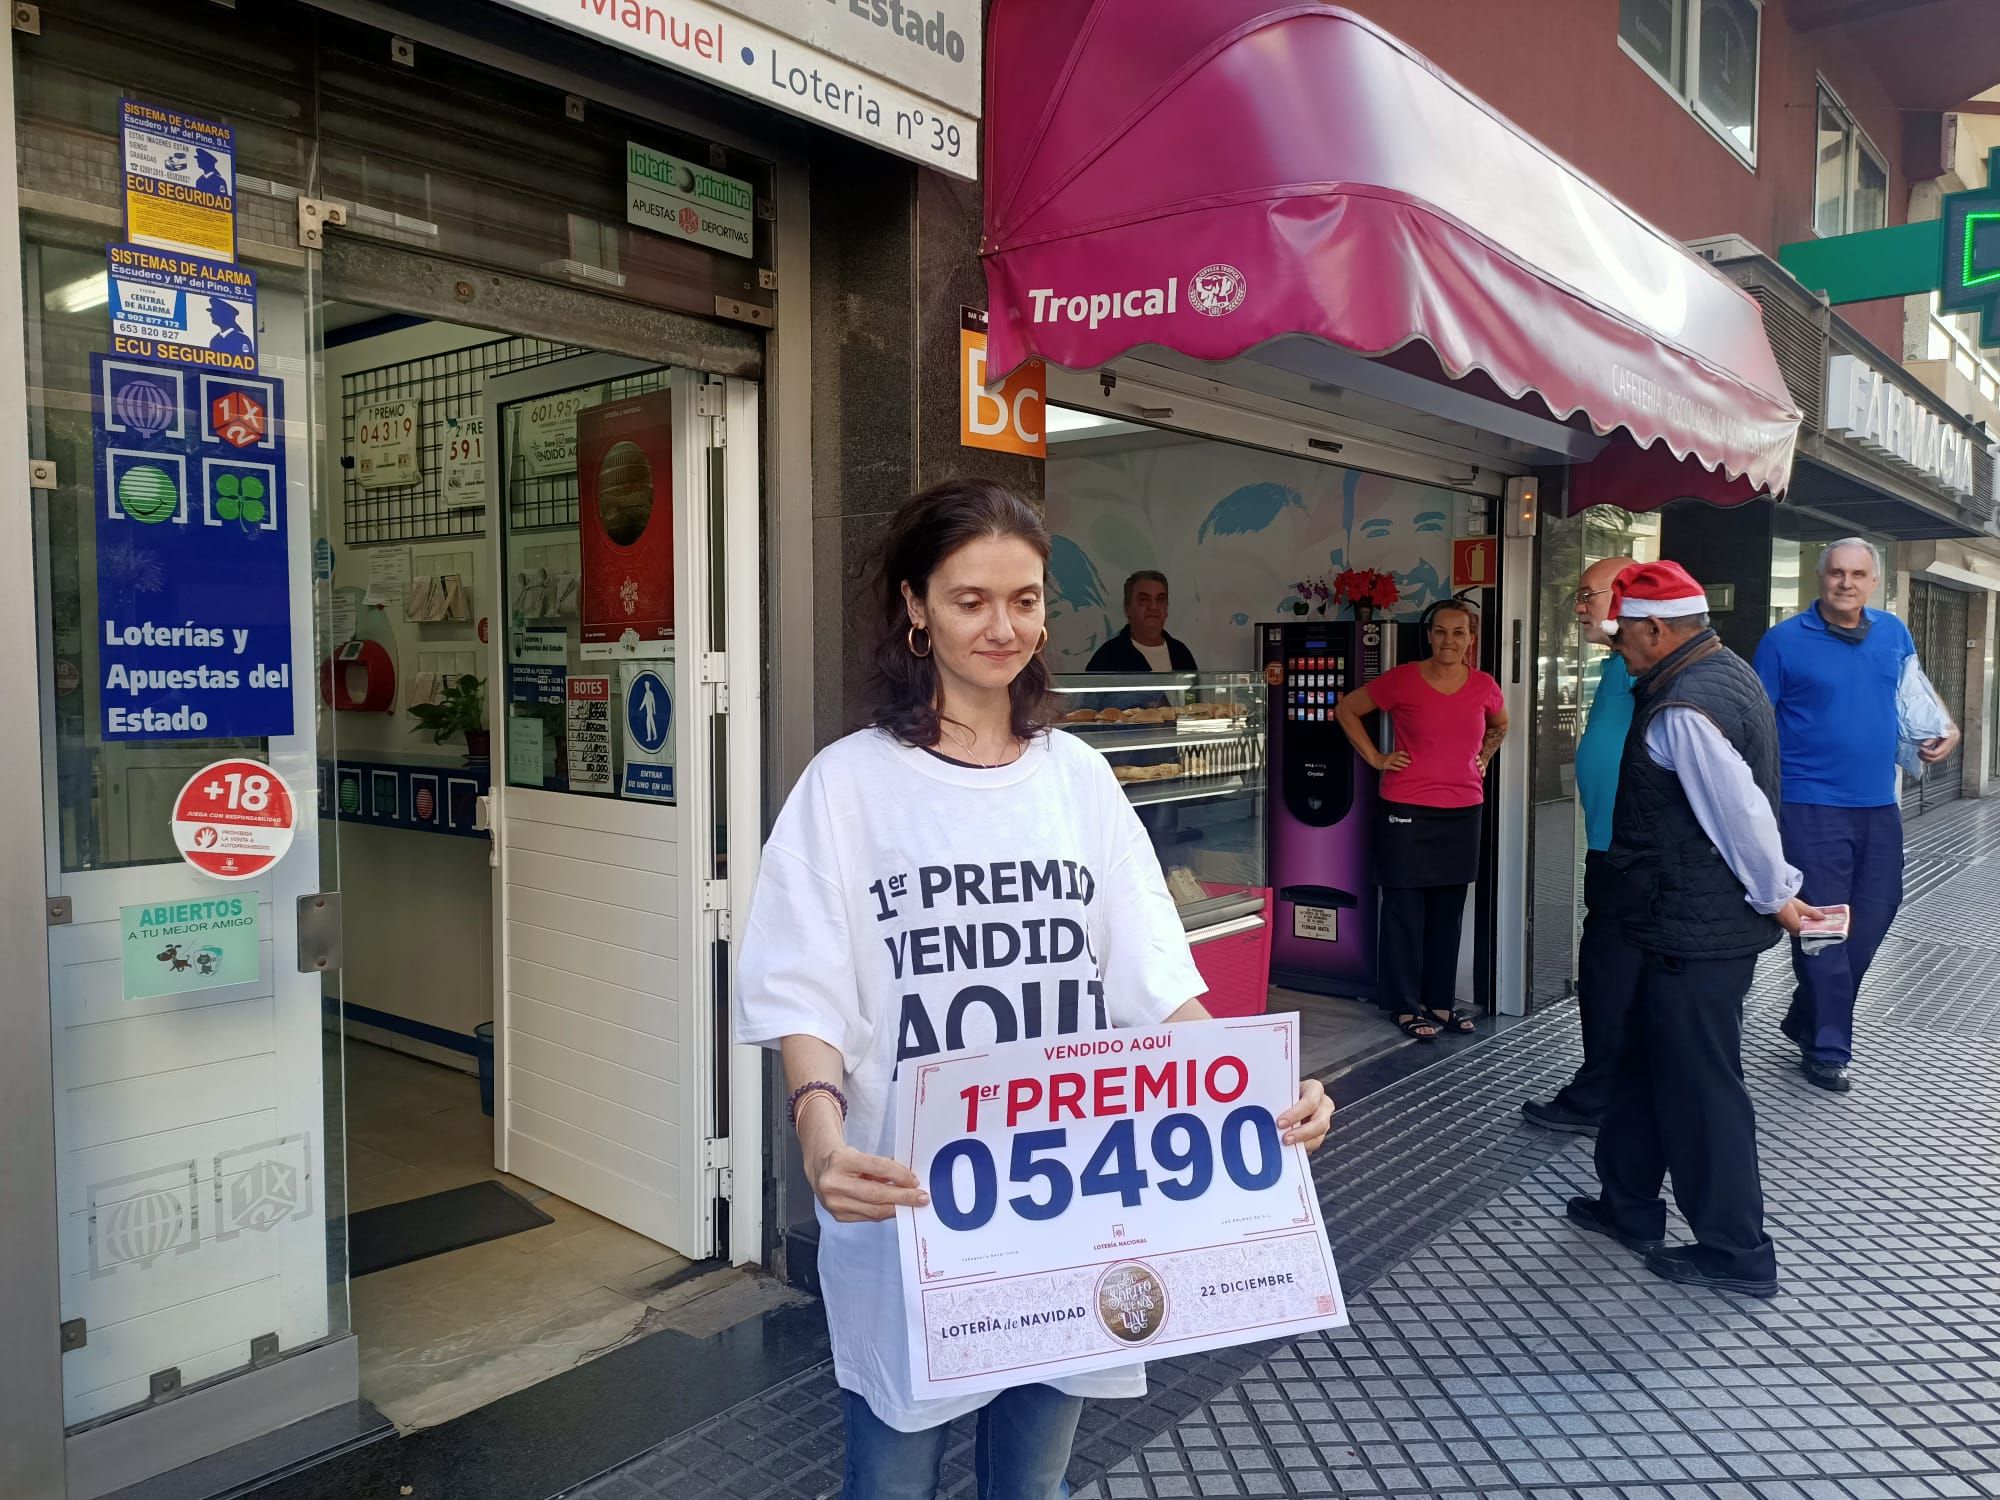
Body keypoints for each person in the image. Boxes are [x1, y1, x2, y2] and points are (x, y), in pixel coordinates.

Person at [731, 479, 1335, 1500]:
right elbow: (805, 992)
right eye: (969, 600)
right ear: (914, 607)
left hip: (1068, 1200)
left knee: (1033, 1486)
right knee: (889, 1483)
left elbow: (1149, 977)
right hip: (910, 1202)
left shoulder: (1076, 780)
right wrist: (819, 1138)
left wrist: (1254, 1091)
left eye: (1025, 600)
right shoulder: (846, 786)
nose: (1001, 627)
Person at [1566, 562, 1824, 1299]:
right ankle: (1628, 1206)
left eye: (1626, 638)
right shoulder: (1725, 667)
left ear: (1655, 627)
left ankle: (1737, 1249)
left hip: (1693, 929)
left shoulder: (1684, 706)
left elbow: (1738, 811)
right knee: (1641, 1058)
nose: (1621, 650)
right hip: (1674, 922)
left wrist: (1780, 895)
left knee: (1702, 1085)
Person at [1753, 539, 1959, 1093]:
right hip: (1807, 805)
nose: (1846, 582)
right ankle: (1827, 1046)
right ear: (1819, 578)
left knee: (1875, 914)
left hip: (1878, 804)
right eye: (1837, 573)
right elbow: (1755, 726)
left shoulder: (1892, 632)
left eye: (1858, 574)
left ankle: (1807, 1015)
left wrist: (1945, 727)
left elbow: (1912, 693)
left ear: (1873, 581)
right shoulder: (1782, 643)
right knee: (1824, 926)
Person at [1333, 601, 1506, 1041]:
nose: (1450, 641)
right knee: (1404, 910)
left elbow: (1500, 725)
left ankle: (1440, 1002)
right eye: (1441, 632)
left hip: (1463, 809)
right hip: (1406, 808)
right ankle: (1403, 1005)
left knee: (1448, 912)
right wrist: (1376, 757)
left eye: (1460, 633)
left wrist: (1484, 756)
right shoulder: (1403, 679)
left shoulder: (1484, 685)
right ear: (1429, 635)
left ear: (1471, 639)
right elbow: (1347, 710)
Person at [1523, 556, 1641, 1136]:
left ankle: (1600, 1098)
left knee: (1608, 979)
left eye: (1588, 595)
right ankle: (1610, 1090)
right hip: (1612, 848)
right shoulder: (1621, 664)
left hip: (1630, 853)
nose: (1578, 608)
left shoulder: (1646, 662)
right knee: (1607, 979)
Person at [1085, 571, 1198, 672]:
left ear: (1166, 607)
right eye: (1144, 600)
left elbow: (1195, 695)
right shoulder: (1108, 657)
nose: (1153, 607)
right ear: (1127, 607)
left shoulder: (1181, 653)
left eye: (1160, 599)